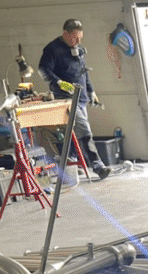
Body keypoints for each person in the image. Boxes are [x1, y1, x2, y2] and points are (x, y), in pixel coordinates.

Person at [38, 19, 111, 180]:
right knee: (84, 131)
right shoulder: (52, 49)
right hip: (65, 98)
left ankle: (71, 162)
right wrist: (58, 82)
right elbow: (43, 70)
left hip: (81, 97)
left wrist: (91, 91)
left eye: (80, 38)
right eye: (75, 38)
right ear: (65, 34)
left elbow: (84, 72)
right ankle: (98, 166)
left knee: (73, 132)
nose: (78, 42)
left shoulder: (77, 49)